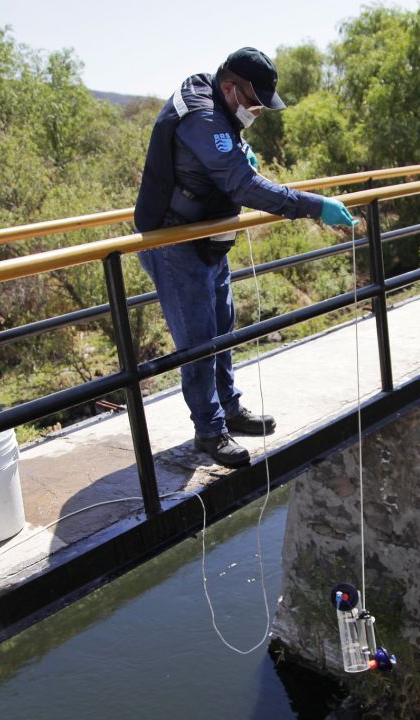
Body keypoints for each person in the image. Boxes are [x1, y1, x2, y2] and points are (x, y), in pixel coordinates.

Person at [134, 47, 355, 468]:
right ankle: (210, 432)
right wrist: (313, 206)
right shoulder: (201, 113)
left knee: (222, 327)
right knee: (198, 341)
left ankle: (230, 409)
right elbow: (243, 184)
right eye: (254, 103)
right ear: (230, 86)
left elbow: (226, 162)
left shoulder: (221, 106)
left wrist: (239, 152)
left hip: (209, 237)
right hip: (173, 241)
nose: (257, 111)